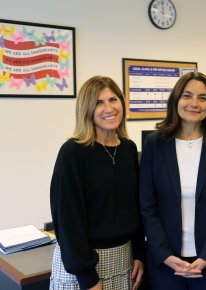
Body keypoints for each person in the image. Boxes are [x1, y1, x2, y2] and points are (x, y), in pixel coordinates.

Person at [139, 72, 206, 290]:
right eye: (187, 96)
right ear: (176, 100)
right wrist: (165, 254)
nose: (194, 103)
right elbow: (147, 206)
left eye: (202, 98)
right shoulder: (154, 145)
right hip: (166, 262)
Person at [49, 76, 145, 290]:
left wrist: (139, 253)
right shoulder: (73, 152)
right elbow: (67, 221)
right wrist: (88, 278)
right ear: (86, 110)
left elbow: (135, 207)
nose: (109, 108)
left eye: (113, 99)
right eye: (99, 103)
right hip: (84, 268)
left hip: (124, 260)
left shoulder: (128, 149)